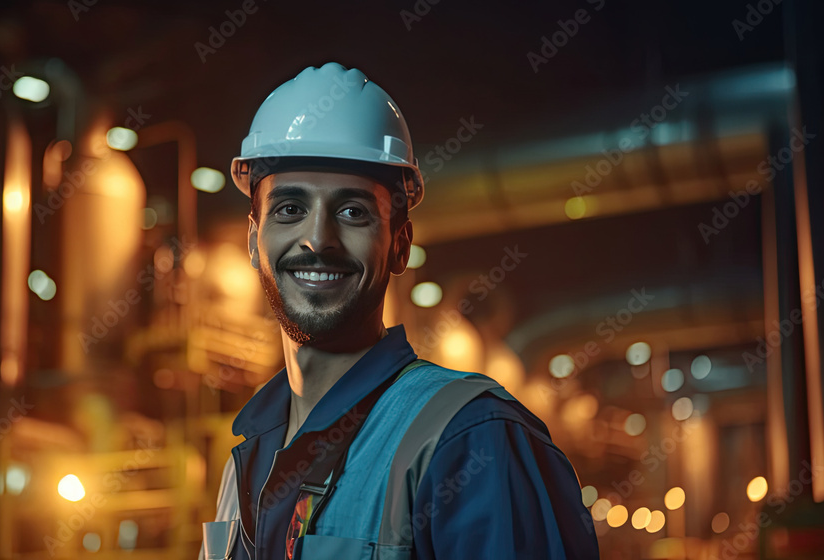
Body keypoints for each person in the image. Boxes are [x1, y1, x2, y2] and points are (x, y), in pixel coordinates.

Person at [200, 62, 599, 559]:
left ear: (400, 245)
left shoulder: (471, 441)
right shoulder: (247, 462)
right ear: (254, 242)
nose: (317, 239)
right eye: (289, 209)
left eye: (352, 212)